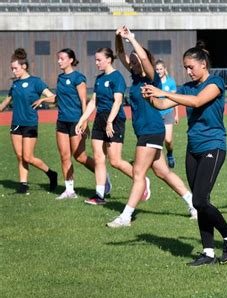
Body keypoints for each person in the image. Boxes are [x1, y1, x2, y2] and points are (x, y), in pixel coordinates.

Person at [142, 42, 227, 266]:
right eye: (185, 67)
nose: (187, 71)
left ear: (203, 64)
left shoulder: (215, 82)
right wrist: (150, 96)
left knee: (199, 199)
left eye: (190, 67)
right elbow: (161, 105)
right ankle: (208, 252)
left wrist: (164, 92)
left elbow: (197, 101)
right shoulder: (187, 87)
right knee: (200, 203)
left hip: (213, 146)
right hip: (193, 148)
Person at [106, 26, 197, 228]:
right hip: (146, 131)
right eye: (132, 59)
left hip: (151, 130)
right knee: (163, 173)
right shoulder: (136, 78)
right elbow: (120, 53)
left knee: (139, 174)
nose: (132, 60)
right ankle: (194, 205)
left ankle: (126, 217)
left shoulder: (150, 77)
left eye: (136, 58)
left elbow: (146, 60)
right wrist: (118, 37)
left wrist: (131, 38)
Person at [75, 47, 149, 205]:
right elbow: (94, 101)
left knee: (115, 161)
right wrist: (82, 119)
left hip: (114, 120)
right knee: (98, 158)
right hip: (99, 119)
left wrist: (110, 122)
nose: (96, 63)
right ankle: (100, 196)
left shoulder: (117, 77)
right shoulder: (99, 79)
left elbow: (118, 101)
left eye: (99, 60)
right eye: (95, 60)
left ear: (109, 59)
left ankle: (142, 180)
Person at [40, 48, 108, 199]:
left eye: (62, 58)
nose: (59, 61)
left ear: (71, 60)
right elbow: (58, 98)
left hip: (76, 121)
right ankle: (69, 190)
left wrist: (84, 121)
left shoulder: (78, 77)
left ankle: (103, 177)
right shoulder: (60, 78)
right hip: (62, 122)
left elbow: (84, 100)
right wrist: (43, 99)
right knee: (64, 156)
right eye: (58, 58)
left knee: (80, 157)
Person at [0, 48, 58, 195]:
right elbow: (5, 102)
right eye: (12, 69)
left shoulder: (35, 82)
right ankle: (23, 185)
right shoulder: (15, 85)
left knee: (28, 156)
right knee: (20, 156)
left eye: (16, 68)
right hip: (16, 124)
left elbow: (53, 97)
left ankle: (51, 173)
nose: (13, 71)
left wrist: (42, 99)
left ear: (24, 66)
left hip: (30, 123)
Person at [155, 59, 179, 168]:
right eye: (157, 69)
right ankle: (157, 161)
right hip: (156, 114)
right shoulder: (154, 82)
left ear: (165, 70)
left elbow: (175, 99)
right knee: (157, 139)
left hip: (168, 113)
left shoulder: (170, 82)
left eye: (160, 69)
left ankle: (170, 154)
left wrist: (176, 114)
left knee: (168, 140)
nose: (159, 71)